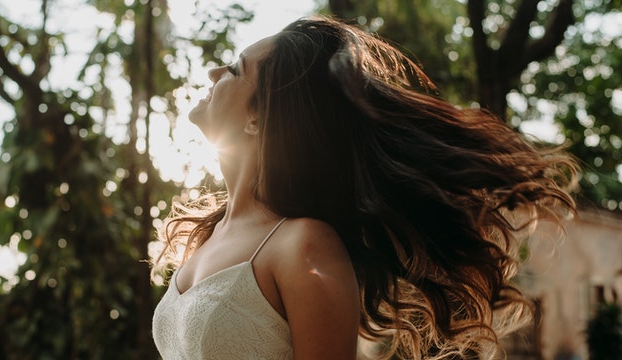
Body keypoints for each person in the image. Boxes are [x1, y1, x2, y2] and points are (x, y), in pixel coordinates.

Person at [151, 15, 578, 360]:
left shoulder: (303, 245)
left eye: (234, 69)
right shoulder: (205, 236)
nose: (212, 71)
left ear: (259, 119)